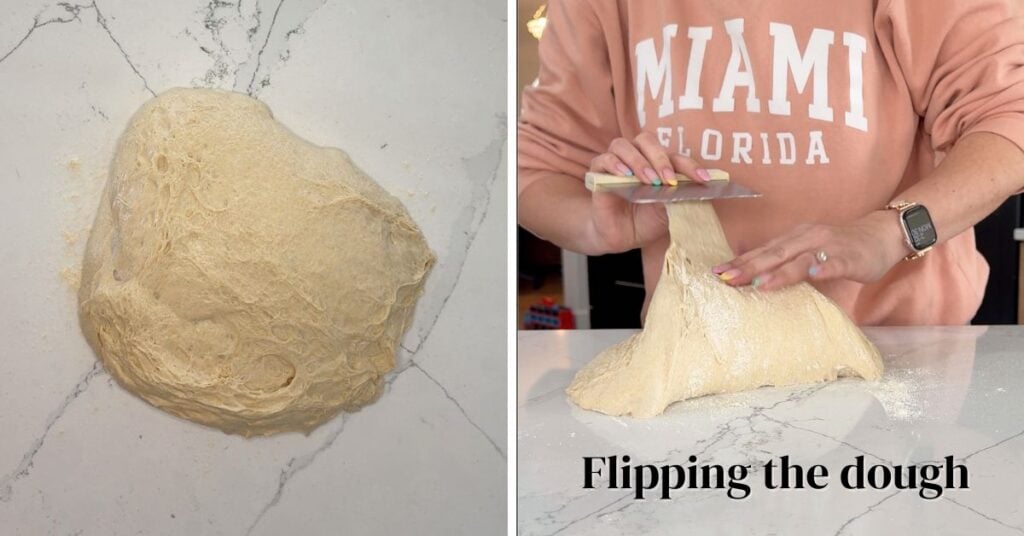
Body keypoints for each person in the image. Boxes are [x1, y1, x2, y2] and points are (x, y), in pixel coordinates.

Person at [518, 0, 1024, 325]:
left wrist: (891, 232)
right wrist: (596, 226)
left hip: (901, 348)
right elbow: (535, 169)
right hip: (696, 348)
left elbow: (1009, 116)